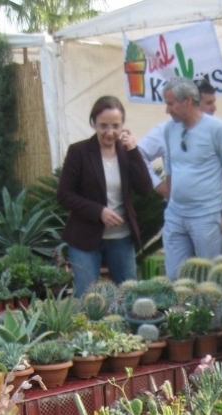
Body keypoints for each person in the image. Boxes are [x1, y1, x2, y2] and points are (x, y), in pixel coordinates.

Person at [57, 95, 153, 298]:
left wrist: (134, 151)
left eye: (115, 126)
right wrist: (99, 211)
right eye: (103, 126)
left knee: (131, 295)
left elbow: (145, 189)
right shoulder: (79, 152)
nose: (110, 132)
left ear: (123, 126)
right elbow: (64, 195)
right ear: (93, 123)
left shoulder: (128, 152)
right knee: (88, 298)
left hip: (121, 237)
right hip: (84, 237)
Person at [138, 80, 222, 244]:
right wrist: (159, 186)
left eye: (214, 102)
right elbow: (138, 154)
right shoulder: (166, 130)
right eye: (208, 103)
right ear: (192, 102)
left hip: (220, 207)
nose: (214, 108)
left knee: (220, 266)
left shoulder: (219, 130)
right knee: (188, 267)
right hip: (183, 210)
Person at [161, 78, 222, 279]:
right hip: (175, 215)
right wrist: (170, 202)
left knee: (209, 278)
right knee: (174, 277)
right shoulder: (169, 129)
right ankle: (179, 311)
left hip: (205, 216)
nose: (167, 110)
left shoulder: (217, 129)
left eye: (171, 103)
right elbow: (170, 169)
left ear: (188, 101)